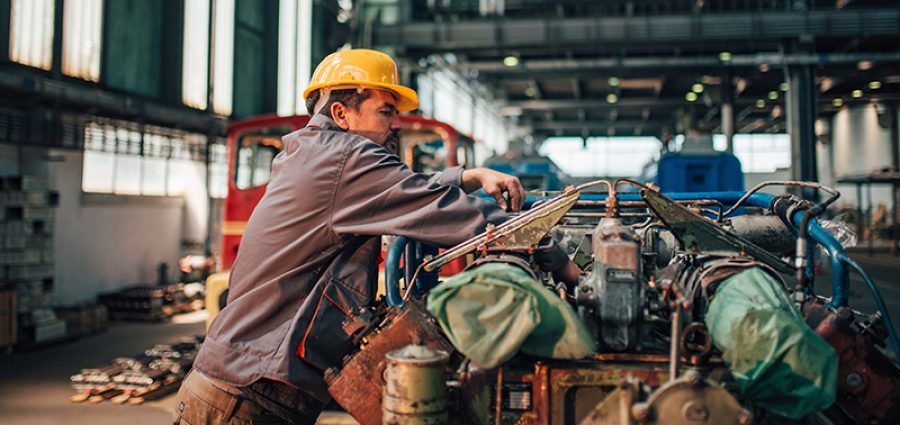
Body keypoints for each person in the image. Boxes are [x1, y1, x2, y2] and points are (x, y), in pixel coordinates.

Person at [172, 49, 580, 424]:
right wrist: (561, 261)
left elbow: (398, 191)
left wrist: (466, 176)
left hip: (237, 385)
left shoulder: (315, 153)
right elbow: (458, 215)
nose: (397, 123)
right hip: (247, 396)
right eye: (386, 112)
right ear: (342, 113)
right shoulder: (346, 158)